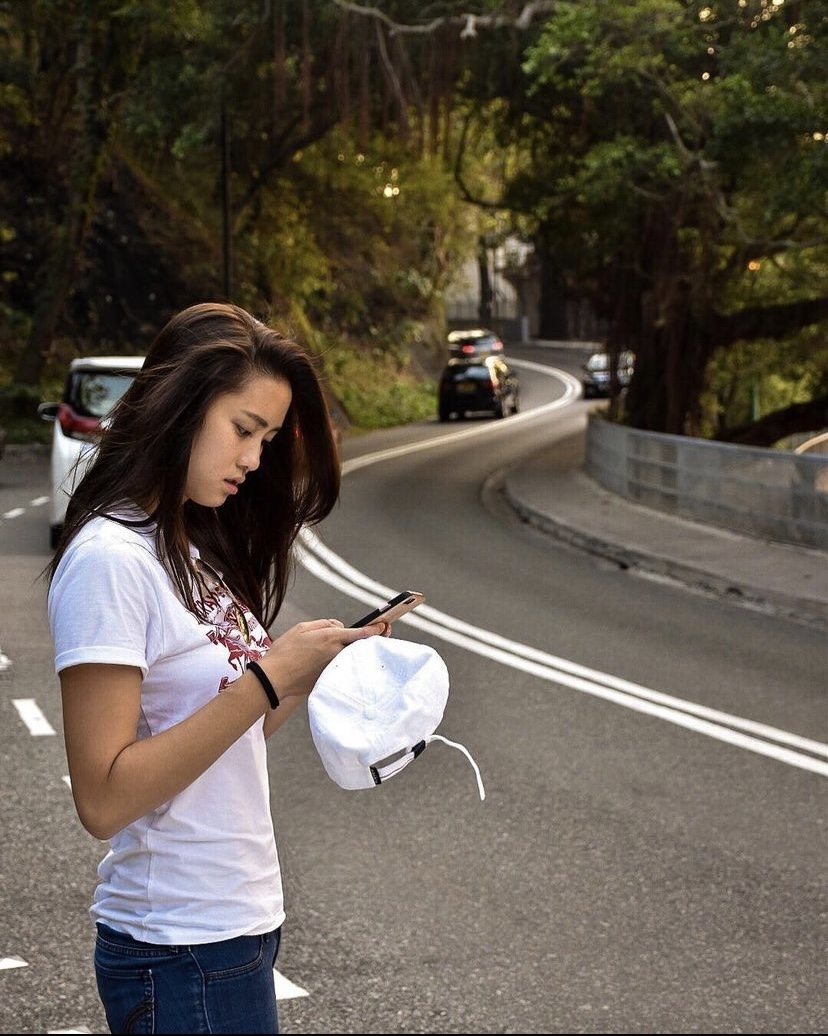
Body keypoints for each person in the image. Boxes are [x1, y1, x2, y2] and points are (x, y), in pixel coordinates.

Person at [45, 302, 391, 1035]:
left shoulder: (187, 549)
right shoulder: (112, 560)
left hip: (234, 924)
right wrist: (268, 674)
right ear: (180, 408)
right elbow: (102, 799)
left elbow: (229, 736)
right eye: (243, 429)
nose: (254, 459)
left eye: (267, 439)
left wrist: (306, 670)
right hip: (176, 943)